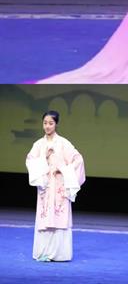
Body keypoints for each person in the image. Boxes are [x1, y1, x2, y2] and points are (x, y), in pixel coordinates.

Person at [25, 110, 85, 261]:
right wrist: (43, 158)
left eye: (51, 123)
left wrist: (63, 169)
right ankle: (43, 252)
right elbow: (30, 161)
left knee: (59, 216)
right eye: (45, 123)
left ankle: (59, 254)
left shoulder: (64, 143)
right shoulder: (38, 145)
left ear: (56, 124)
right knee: (45, 216)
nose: (47, 126)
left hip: (59, 186)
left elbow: (78, 160)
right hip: (45, 188)